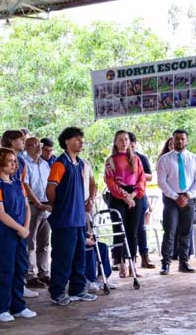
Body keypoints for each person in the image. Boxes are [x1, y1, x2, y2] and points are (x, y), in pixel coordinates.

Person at [46, 127, 98, 305]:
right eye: (76, 139)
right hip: (64, 219)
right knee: (62, 256)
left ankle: (78, 289)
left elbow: (90, 185)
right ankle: (57, 292)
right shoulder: (60, 164)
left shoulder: (81, 164)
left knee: (79, 256)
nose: (81, 142)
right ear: (67, 141)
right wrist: (60, 205)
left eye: (81, 139)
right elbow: (50, 190)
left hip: (78, 218)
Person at [0, 148, 36, 322]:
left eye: (15, 160)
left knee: (20, 269)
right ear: (0, 163)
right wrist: (19, 228)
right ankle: (1, 308)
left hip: (20, 233)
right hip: (3, 234)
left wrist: (26, 227)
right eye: (10, 161)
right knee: (4, 271)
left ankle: (18, 305)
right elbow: (0, 213)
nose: (14, 164)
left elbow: (26, 206)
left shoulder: (17, 183)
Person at [157, 129, 196, 274]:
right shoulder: (164, 159)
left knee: (185, 231)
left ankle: (184, 263)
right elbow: (161, 181)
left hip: (188, 199)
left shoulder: (195, 159)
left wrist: (188, 195)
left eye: (183, 138)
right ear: (173, 140)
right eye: (177, 138)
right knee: (169, 231)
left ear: (187, 140)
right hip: (171, 199)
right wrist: (175, 196)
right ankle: (166, 263)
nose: (180, 141)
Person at [0, 130, 39, 299]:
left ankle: (20, 285)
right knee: (6, 257)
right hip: (6, 210)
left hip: (20, 208)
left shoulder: (22, 162)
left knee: (21, 254)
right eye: (21, 140)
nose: (24, 142)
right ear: (11, 141)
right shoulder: (0, 158)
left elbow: (22, 184)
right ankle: (6, 293)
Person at [104, 130, 146, 277]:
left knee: (133, 231)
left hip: (135, 195)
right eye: (121, 140)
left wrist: (133, 195)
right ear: (116, 142)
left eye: (126, 139)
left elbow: (141, 179)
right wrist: (124, 196)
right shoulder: (111, 160)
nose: (124, 142)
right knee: (120, 231)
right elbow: (110, 181)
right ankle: (122, 264)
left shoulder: (136, 159)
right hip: (118, 196)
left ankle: (133, 264)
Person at [23, 136, 52, 288]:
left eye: (38, 144)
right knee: (31, 242)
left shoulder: (45, 164)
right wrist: (37, 203)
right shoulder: (25, 164)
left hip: (46, 206)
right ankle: (30, 274)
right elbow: (26, 186)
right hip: (32, 206)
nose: (38, 147)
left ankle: (44, 273)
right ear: (27, 148)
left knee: (45, 242)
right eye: (33, 145)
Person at [129, 133, 156, 269]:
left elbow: (150, 176)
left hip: (139, 195)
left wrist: (138, 173)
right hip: (123, 197)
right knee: (125, 229)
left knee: (140, 228)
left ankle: (144, 256)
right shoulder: (116, 158)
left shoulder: (141, 158)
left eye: (133, 146)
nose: (131, 149)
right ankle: (122, 260)